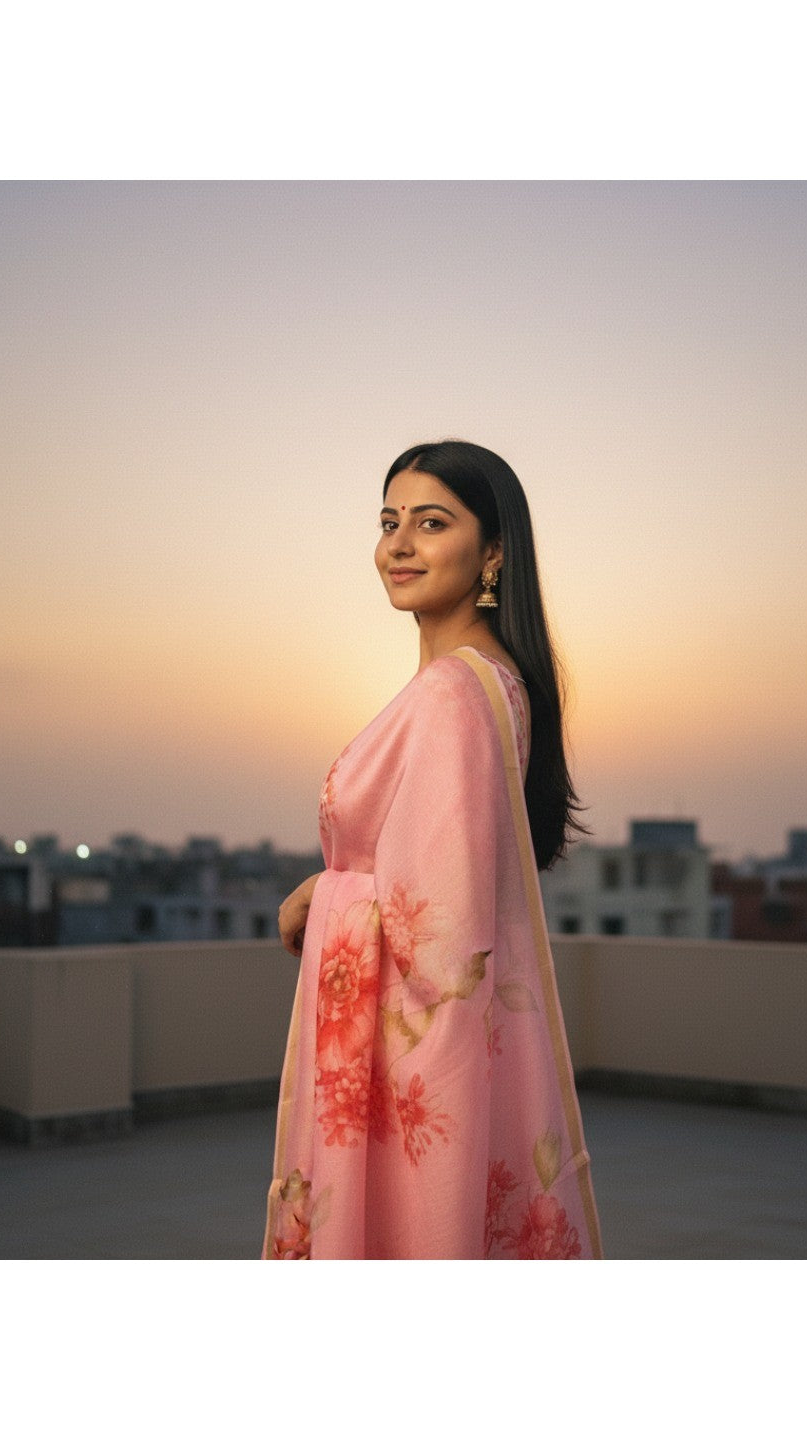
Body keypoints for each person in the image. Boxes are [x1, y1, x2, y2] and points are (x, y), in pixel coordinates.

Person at [263, 440, 603, 1259]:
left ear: (493, 552)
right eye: (389, 522)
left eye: (431, 522)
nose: (399, 545)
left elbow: (440, 943)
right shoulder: (492, 681)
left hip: (421, 1064)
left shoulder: (455, 694)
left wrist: (326, 896)